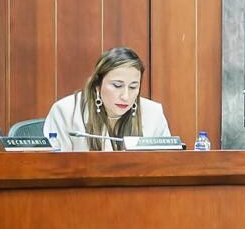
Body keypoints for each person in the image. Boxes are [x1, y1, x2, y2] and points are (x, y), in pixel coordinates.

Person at [43, 47, 171, 151]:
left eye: (133, 87)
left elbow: (167, 165)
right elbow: (53, 167)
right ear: (97, 85)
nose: (125, 96)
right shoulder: (66, 111)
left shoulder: (153, 113)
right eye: (117, 85)